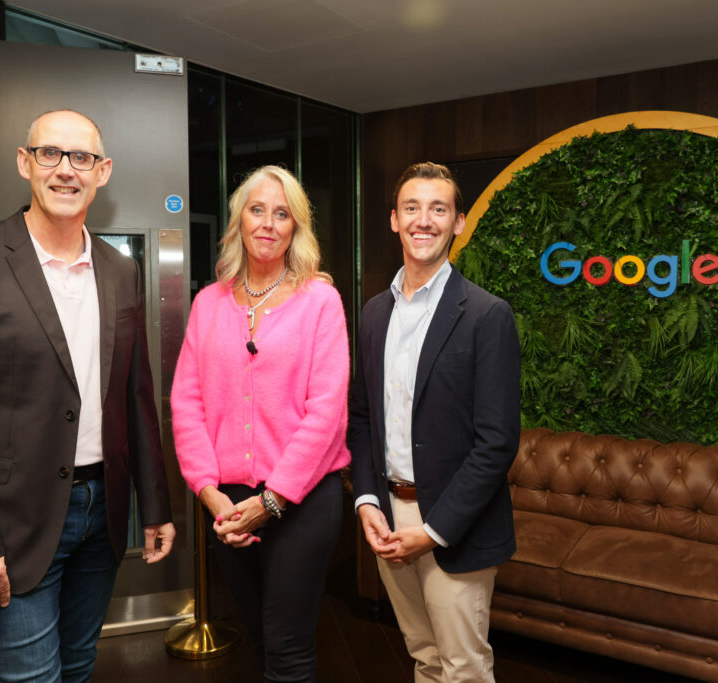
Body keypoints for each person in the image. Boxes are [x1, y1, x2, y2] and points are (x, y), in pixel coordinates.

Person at [0, 109, 176, 682]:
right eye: (50, 154)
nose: (65, 170)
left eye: (81, 158)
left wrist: (154, 505)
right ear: (24, 162)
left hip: (101, 515)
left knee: (79, 667)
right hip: (10, 525)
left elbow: (135, 396)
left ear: (102, 171)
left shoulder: (119, 269)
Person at [171, 165, 350, 682]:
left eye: (283, 213)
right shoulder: (208, 304)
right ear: (239, 221)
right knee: (260, 639)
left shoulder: (320, 301)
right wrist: (209, 493)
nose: (269, 223)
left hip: (302, 501)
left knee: (289, 651)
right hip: (227, 504)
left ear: (296, 227)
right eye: (257, 210)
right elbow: (186, 403)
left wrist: (271, 502)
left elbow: (327, 412)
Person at [348, 162, 521, 682]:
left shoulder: (488, 315)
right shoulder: (374, 313)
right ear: (394, 221)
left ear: (459, 222)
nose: (424, 220)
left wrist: (434, 529)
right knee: (424, 659)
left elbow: (497, 442)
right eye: (412, 208)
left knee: (464, 668)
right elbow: (361, 420)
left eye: (438, 209)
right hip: (388, 520)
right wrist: (366, 501)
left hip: (454, 527)